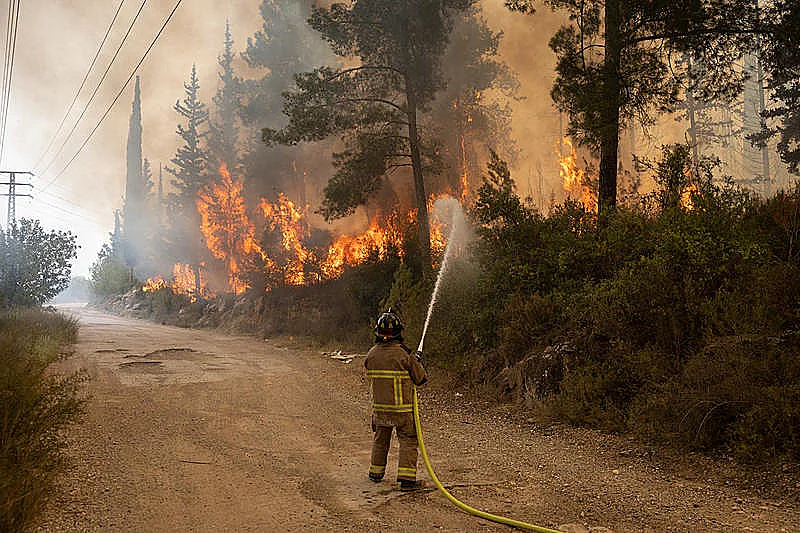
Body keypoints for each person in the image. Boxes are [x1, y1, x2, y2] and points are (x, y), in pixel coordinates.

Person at [365, 309, 428, 491]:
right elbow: (421, 379)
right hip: (402, 411)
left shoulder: (371, 354)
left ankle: (375, 473)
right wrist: (416, 361)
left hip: (380, 411)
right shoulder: (404, 354)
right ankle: (407, 480)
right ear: (399, 332)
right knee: (408, 440)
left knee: (380, 440)